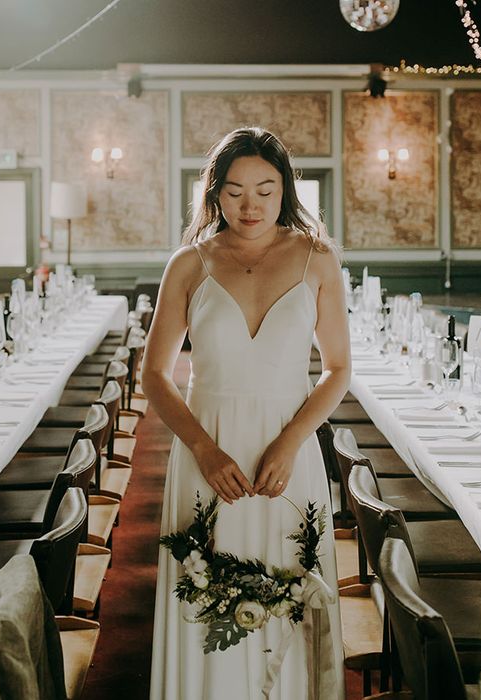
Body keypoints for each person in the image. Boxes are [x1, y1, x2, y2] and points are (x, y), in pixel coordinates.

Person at [144, 127, 349, 700]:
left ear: (285, 189)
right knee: (202, 596)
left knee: (292, 588)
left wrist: (291, 442)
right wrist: (204, 450)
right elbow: (155, 376)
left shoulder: (318, 258)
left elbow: (338, 370)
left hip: (288, 454)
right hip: (208, 451)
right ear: (214, 194)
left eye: (264, 188)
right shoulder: (189, 263)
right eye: (234, 191)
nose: (250, 204)